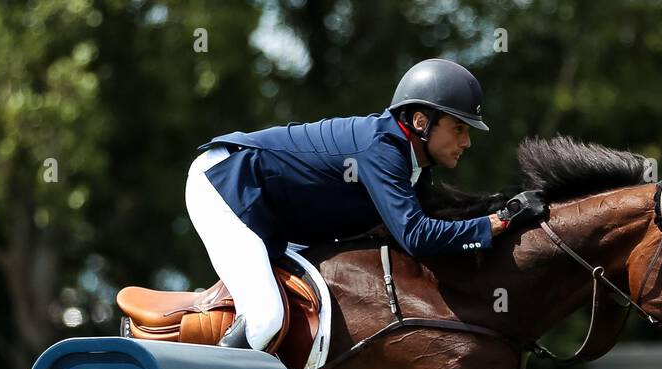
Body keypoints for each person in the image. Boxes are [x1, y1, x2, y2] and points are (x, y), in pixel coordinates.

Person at [186, 58, 547, 351]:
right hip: (225, 184)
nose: (467, 141)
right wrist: (498, 222)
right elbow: (418, 237)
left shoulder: (412, 165)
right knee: (267, 319)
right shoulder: (383, 151)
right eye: (459, 128)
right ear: (422, 122)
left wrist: (502, 212)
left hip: (268, 210)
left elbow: (440, 223)